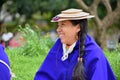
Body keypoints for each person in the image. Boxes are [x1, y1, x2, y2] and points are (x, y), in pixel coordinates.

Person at [34, 8, 116, 80]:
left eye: (63, 25)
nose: (58, 30)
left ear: (78, 27)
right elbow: (44, 75)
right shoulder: (58, 47)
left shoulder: (94, 53)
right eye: (58, 25)